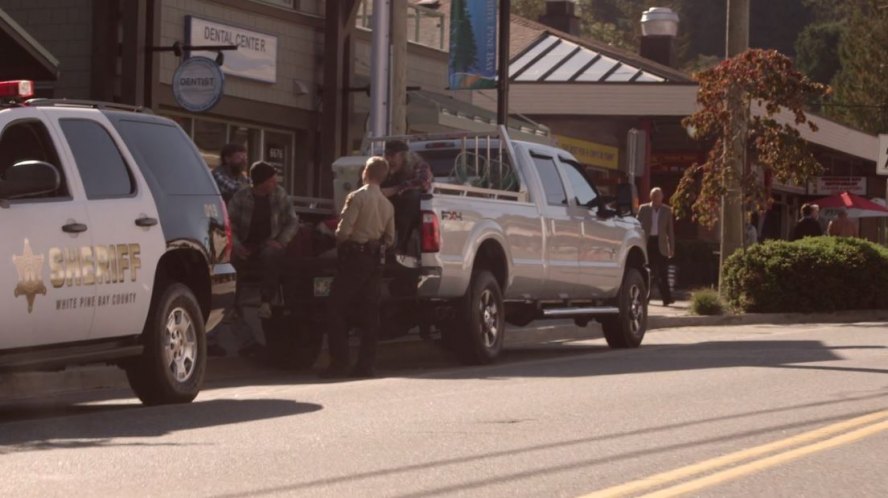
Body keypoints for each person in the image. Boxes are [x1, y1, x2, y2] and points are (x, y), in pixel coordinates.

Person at [323, 156, 395, 379]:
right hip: (375, 261)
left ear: (365, 172)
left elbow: (343, 233)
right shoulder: (387, 204)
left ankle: (339, 362)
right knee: (370, 314)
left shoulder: (356, 197)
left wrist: (332, 235)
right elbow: (390, 239)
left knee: (335, 308)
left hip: (354, 259)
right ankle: (366, 365)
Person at [228, 161, 299, 321]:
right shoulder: (241, 197)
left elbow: (292, 221)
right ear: (262, 182)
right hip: (246, 242)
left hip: (270, 241)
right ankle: (233, 305)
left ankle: (266, 301)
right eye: (272, 180)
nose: (276, 183)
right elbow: (229, 223)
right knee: (233, 259)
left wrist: (281, 241)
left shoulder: (279, 194)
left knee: (271, 255)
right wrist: (237, 245)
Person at [380, 140, 432, 253]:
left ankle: (402, 244)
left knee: (412, 196)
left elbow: (423, 182)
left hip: (411, 211)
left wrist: (395, 189)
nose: (389, 159)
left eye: (392, 156)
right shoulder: (386, 167)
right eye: (387, 156)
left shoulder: (419, 165)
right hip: (391, 207)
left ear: (404, 156)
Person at [637, 187, 675, 306]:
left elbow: (670, 231)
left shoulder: (667, 210)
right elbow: (637, 226)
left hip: (661, 244)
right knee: (648, 272)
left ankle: (667, 299)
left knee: (663, 273)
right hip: (648, 243)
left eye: (658, 196)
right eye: (654, 196)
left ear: (662, 197)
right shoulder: (643, 209)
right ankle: (645, 298)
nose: (656, 198)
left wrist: (671, 248)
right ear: (651, 197)